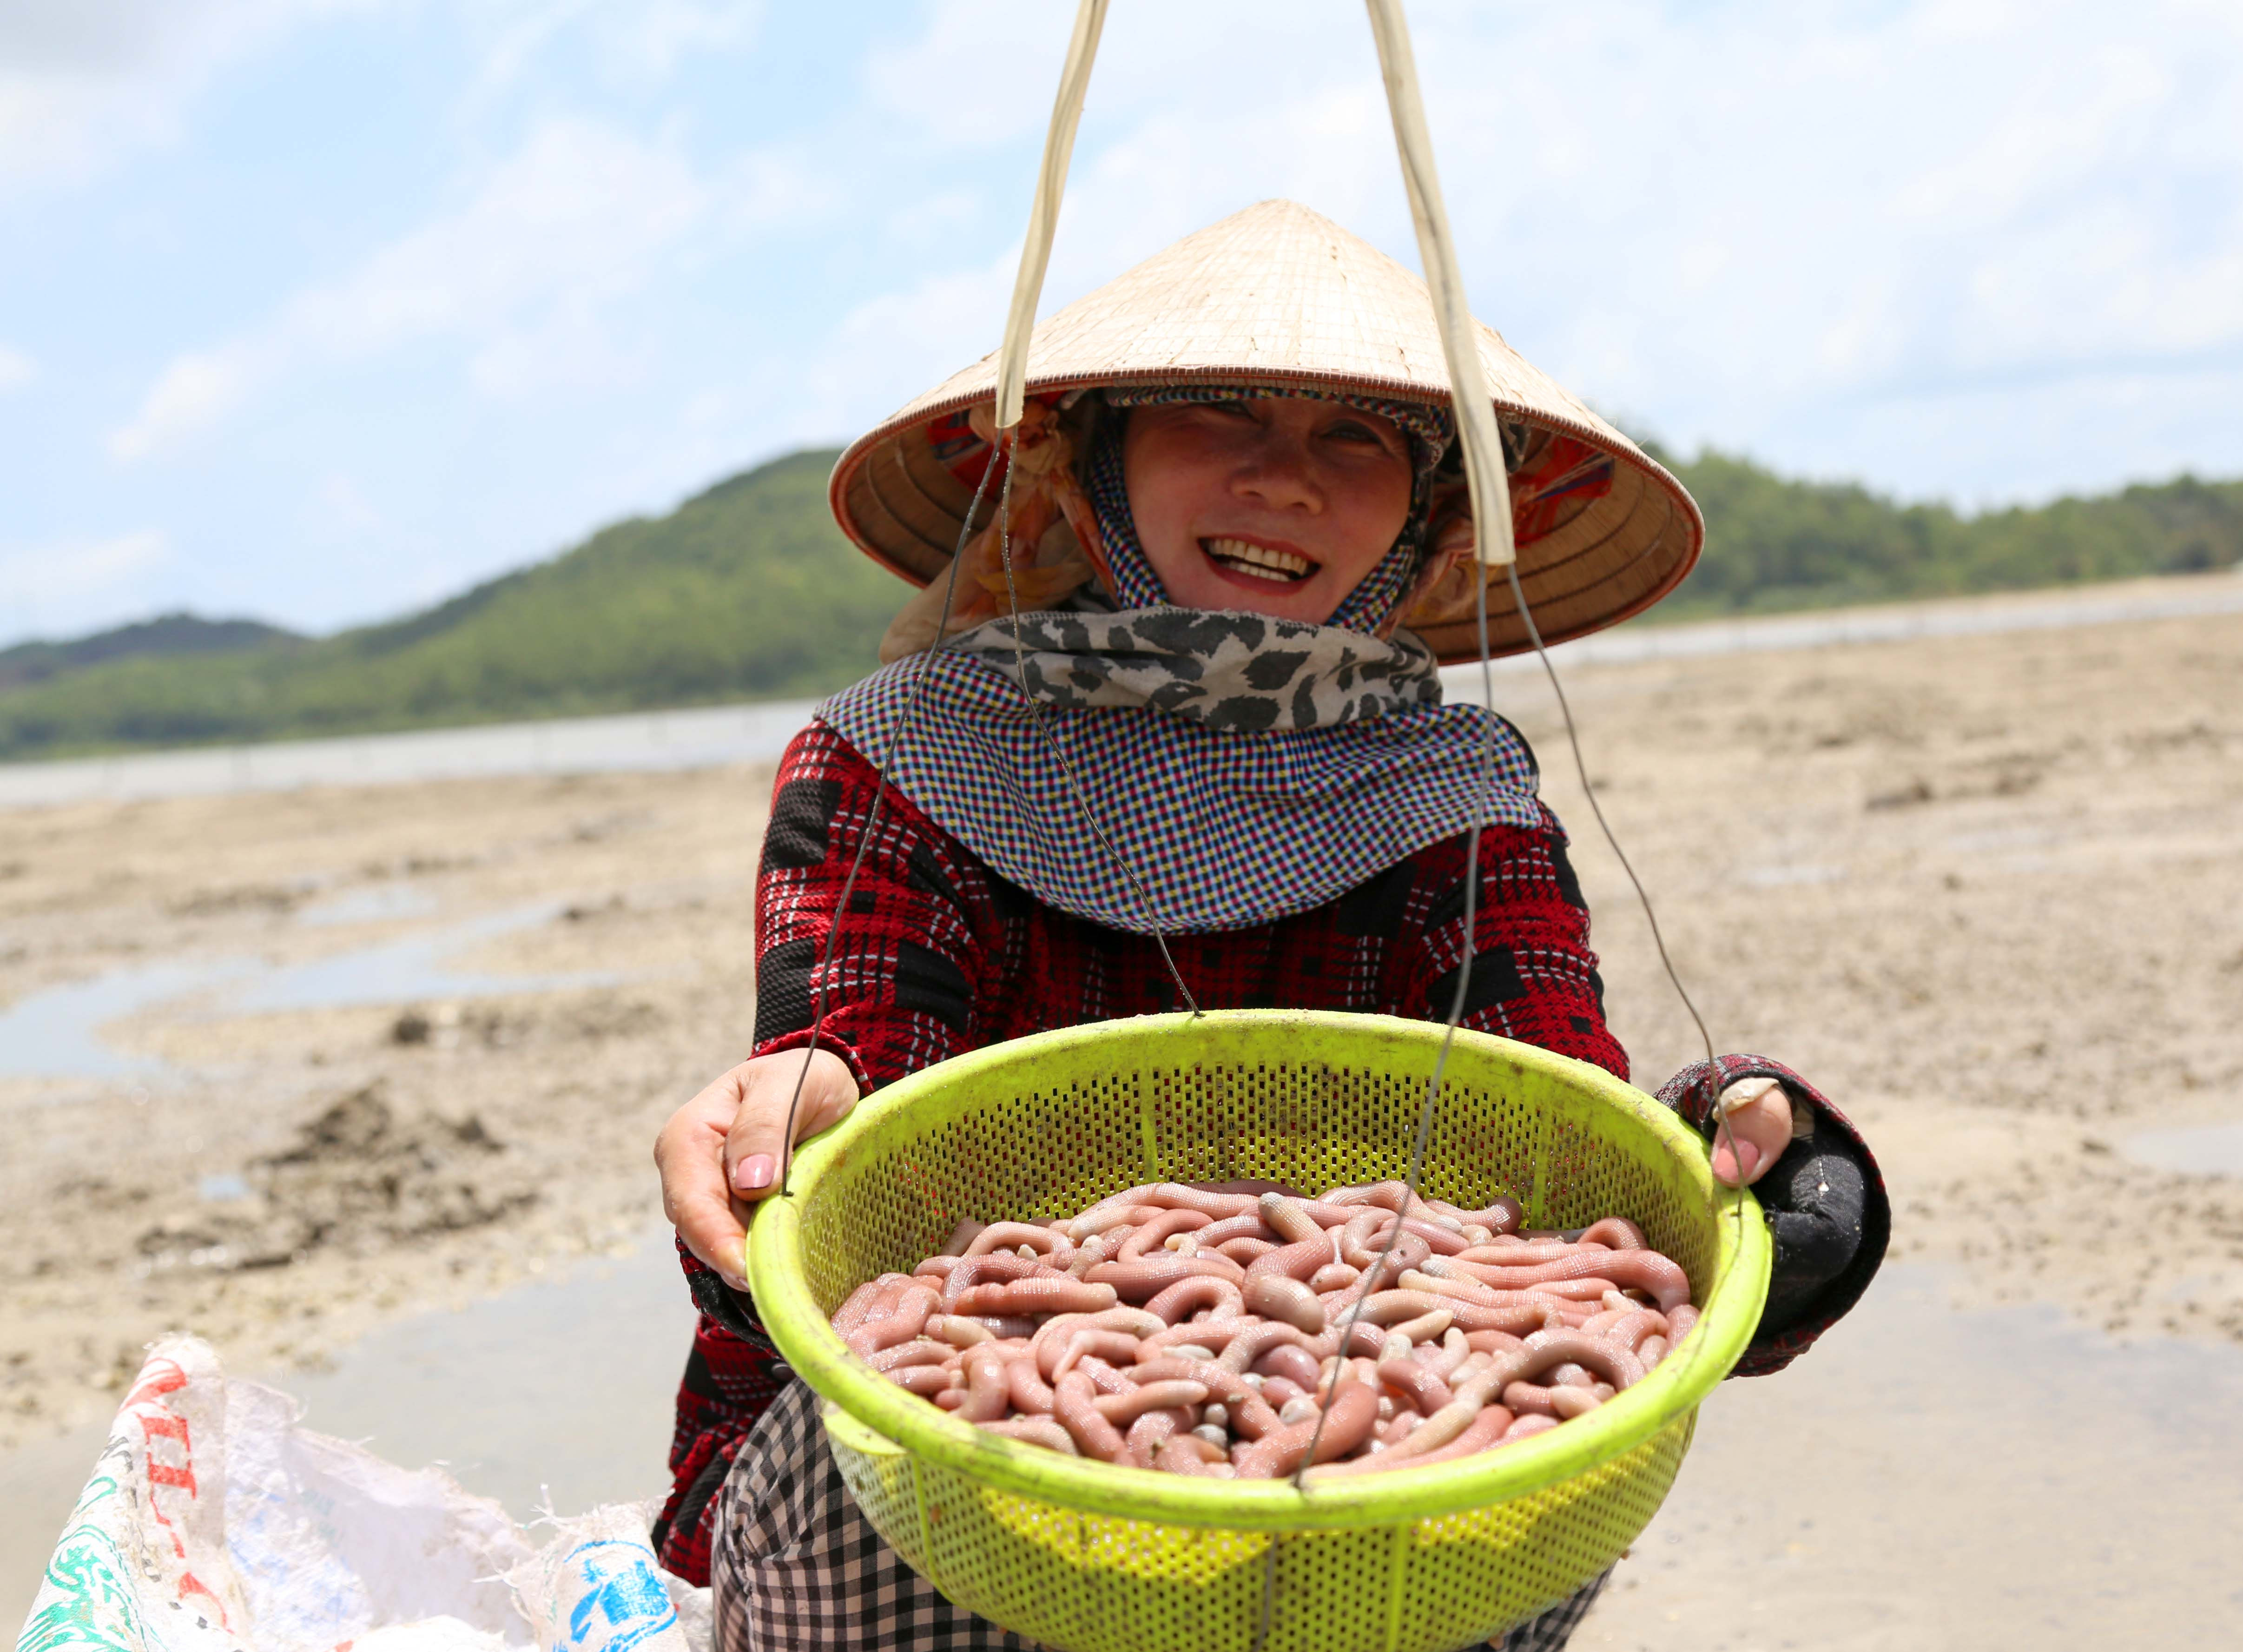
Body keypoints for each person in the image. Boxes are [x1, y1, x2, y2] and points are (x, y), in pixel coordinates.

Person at [649, 200, 1889, 1651]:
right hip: (943, 1495)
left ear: (1427, 521)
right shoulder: (902, 758)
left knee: (1528, 1453)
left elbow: (1549, 1141)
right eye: (1217, 411)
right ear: (1085, 461)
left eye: (1357, 439)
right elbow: (845, 1078)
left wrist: (1755, 1156)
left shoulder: (1456, 801)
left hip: (1354, 1501)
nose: (1282, 478)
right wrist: (788, 1113)